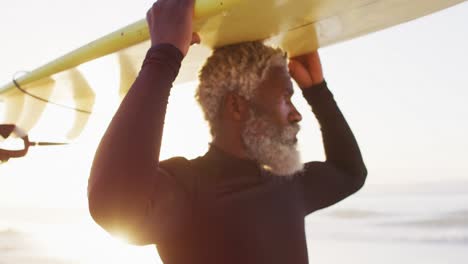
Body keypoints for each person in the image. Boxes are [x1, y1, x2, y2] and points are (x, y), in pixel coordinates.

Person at [87, 0, 367, 263]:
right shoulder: (189, 191)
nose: (296, 114)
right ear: (236, 107)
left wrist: (318, 91)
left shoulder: (288, 185)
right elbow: (114, 207)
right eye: (285, 97)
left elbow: (350, 172)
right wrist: (163, 59)